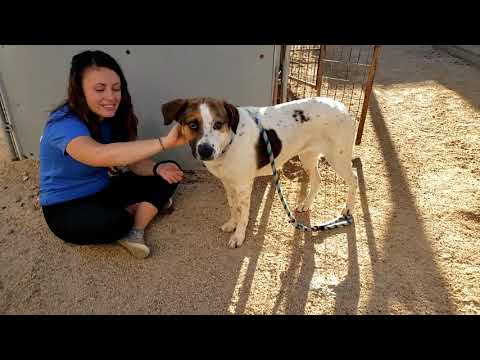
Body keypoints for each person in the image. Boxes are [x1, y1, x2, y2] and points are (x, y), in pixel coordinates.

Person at [39, 50, 188, 259]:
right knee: (117, 222)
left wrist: (158, 168)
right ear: (79, 91)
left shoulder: (112, 117)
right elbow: (100, 155)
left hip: (104, 189)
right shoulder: (63, 123)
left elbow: (133, 162)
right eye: (100, 89)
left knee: (169, 172)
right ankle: (136, 215)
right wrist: (164, 142)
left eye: (116, 88)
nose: (111, 97)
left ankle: (136, 229)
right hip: (65, 206)